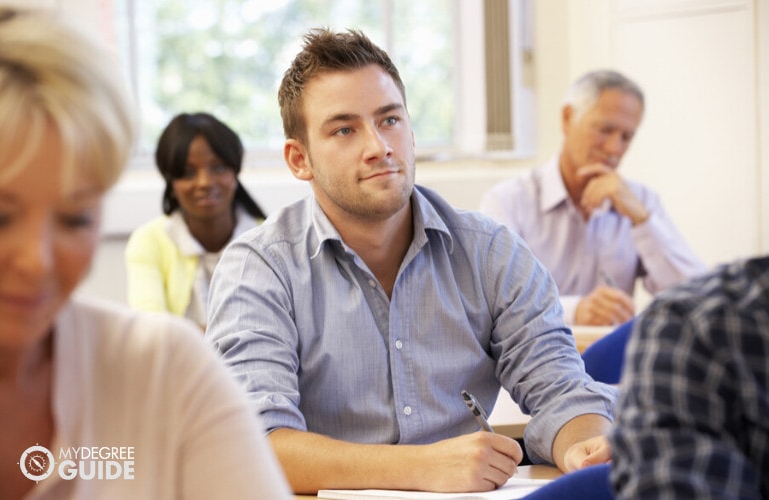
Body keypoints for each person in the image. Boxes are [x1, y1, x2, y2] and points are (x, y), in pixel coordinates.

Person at [206, 28, 618, 495]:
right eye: (345, 129)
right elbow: (254, 445)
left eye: (389, 120)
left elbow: (562, 391)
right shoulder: (259, 268)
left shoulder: (490, 251)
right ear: (299, 159)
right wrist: (418, 466)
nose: (378, 146)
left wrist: (583, 444)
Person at [0, 8, 291, 499]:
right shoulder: (154, 245)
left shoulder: (166, 371)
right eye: (1, 217)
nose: (38, 261)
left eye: (75, 219)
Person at [478, 70, 706, 326]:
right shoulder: (508, 201)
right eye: (605, 130)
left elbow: (700, 296)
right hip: (533, 361)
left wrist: (642, 220)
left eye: (626, 137)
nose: (614, 148)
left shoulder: (640, 201)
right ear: (567, 118)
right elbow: (491, 299)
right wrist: (575, 311)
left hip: (611, 362)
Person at [610, 255, 769, 498]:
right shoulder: (696, 326)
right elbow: (685, 286)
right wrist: (575, 307)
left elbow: (685, 275)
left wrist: (643, 220)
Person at [125, 112, 266, 330]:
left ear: (235, 172)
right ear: (171, 182)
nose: (204, 182)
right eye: (188, 173)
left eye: (218, 168)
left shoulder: (269, 238)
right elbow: (150, 332)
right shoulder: (149, 240)